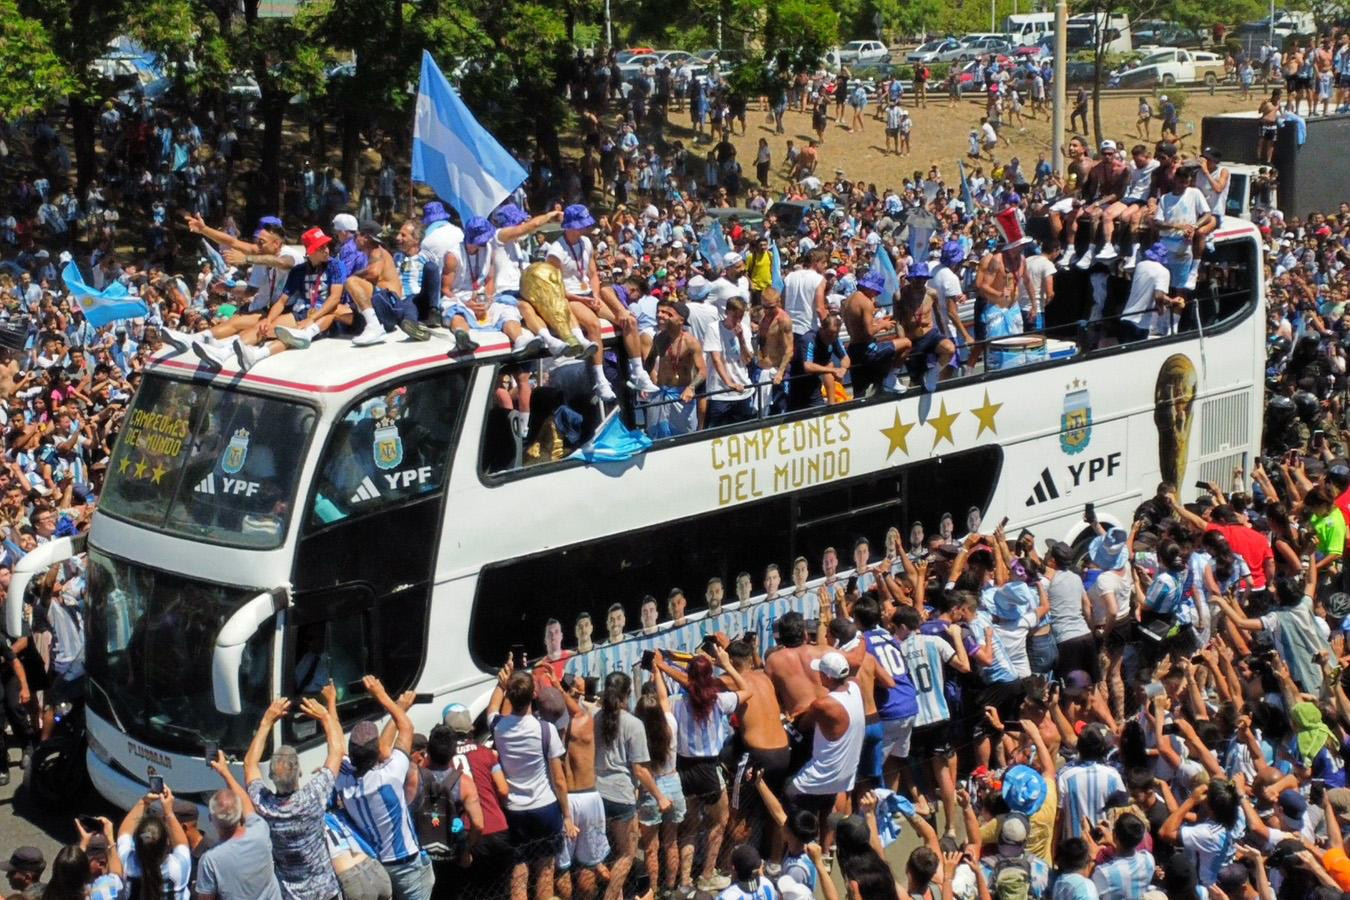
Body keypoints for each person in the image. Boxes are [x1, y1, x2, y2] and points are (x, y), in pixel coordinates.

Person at [335, 675, 435, 900]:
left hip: (377, 865)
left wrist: (330, 705)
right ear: (377, 753)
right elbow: (406, 728)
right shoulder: (390, 775)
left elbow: (336, 743)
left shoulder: (344, 780)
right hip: (408, 866)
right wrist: (383, 696)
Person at [244, 686, 343, 900]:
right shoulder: (313, 796)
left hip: (291, 895)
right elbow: (337, 751)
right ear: (299, 772)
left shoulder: (264, 805)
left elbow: (249, 764)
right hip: (325, 891)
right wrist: (325, 715)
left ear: (270, 777)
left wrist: (266, 722)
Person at [488, 666, 574, 900]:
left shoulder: (498, 727)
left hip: (515, 809)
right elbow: (559, 779)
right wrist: (567, 816)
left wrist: (501, 684)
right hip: (545, 807)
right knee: (546, 870)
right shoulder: (545, 730)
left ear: (510, 695)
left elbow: (492, 707)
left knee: (519, 870)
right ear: (533, 696)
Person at [197, 753, 283, 900]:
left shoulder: (210, 861)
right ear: (239, 815)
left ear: (211, 819)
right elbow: (247, 805)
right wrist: (225, 772)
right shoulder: (260, 831)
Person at [117, 785, 192, 899]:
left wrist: (144, 801)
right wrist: (169, 812)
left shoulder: (126, 864)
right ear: (167, 843)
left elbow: (124, 833)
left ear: (136, 843)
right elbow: (182, 844)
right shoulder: (178, 867)